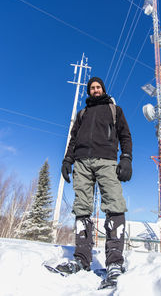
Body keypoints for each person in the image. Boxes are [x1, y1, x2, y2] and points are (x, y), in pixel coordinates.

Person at [59, 77, 132, 287]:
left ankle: (115, 263)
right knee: (82, 208)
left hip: (106, 161)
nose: (95, 90)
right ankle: (81, 259)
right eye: (92, 88)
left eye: (98, 87)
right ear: (89, 91)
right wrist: (67, 160)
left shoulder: (114, 110)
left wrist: (126, 158)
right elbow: (73, 139)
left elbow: (125, 136)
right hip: (81, 163)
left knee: (115, 204)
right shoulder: (82, 114)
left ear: (103, 89)